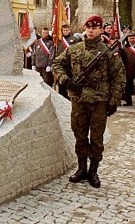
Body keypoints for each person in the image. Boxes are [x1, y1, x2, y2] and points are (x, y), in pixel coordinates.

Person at [52, 15, 125, 188]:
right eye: (88, 27)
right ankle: (81, 168)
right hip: (79, 101)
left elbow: (119, 77)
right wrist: (66, 80)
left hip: (99, 101)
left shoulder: (108, 52)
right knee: (80, 135)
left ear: (101, 30)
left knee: (97, 138)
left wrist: (114, 101)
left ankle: (94, 171)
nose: (91, 30)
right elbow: (57, 64)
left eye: (95, 28)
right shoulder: (74, 49)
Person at [55, 24, 83, 98]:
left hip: (70, 65)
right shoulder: (59, 40)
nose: (65, 32)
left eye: (67, 30)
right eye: (64, 30)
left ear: (69, 30)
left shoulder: (74, 39)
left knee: (70, 84)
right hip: (61, 64)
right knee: (61, 84)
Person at [119, 32, 135, 107]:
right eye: (130, 38)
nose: (131, 40)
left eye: (133, 38)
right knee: (128, 86)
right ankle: (128, 101)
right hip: (128, 69)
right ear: (127, 39)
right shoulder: (125, 47)